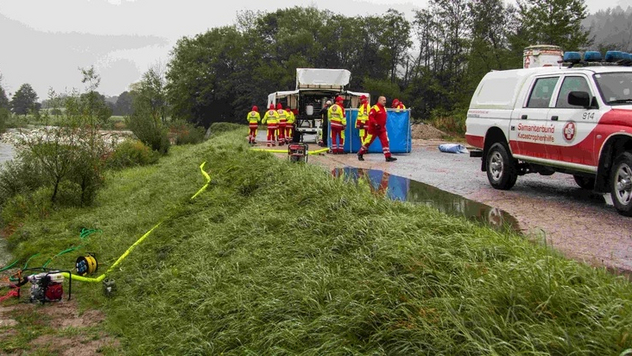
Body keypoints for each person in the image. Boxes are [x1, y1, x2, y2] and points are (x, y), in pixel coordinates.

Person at [358, 96, 397, 162]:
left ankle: (388, 156)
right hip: (374, 129)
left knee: (385, 142)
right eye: (383, 100)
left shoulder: (384, 108)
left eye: (385, 100)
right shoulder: (374, 108)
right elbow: (371, 117)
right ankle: (360, 153)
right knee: (368, 142)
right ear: (379, 101)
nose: (385, 102)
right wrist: (375, 124)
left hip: (382, 129)